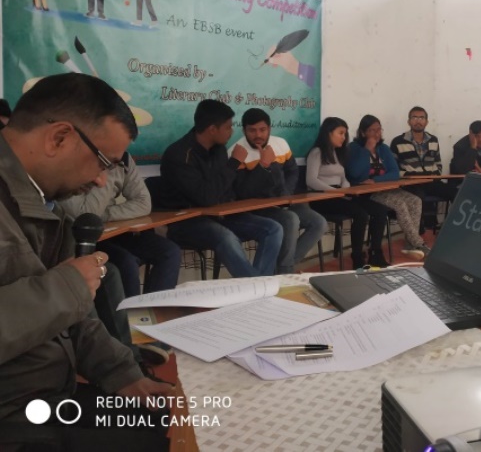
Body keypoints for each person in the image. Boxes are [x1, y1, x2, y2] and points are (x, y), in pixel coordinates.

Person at [0, 73, 171, 448]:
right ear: (59, 137)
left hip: (48, 393)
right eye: (103, 162)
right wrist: (67, 289)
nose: (101, 181)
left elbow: (77, 318)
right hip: (12, 412)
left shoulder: (47, 207)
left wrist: (124, 374)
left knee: (160, 418)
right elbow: (65, 297)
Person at [155, 99, 283, 277]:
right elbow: (206, 197)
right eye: (228, 127)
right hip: (186, 222)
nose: (231, 132)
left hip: (219, 215)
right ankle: (258, 287)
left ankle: (258, 285)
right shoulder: (179, 155)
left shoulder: (218, 150)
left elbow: (230, 191)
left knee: (273, 229)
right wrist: (234, 163)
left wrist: (263, 166)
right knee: (226, 236)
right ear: (212, 129)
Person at [61, 152, 181, 296]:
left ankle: (155, 307)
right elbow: (85, 214)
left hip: (111, 228)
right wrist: (107, 170)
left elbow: (143, 203)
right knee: (126, 263)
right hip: (82, 236)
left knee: (170, 252)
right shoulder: (76, 158)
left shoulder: (124, 157)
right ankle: (131, 311)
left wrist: (105, 215)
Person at [229, 108, 326, 273]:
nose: (258, 135)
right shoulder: (237, 152)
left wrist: (286, 193)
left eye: (262, 130)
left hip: (283, 201)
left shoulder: (280, 143)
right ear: (244, 130)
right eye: (252, 130)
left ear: (269, 129)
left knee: (319, 223)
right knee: (290, 219)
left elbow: (292, 171)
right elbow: (244, 192)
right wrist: (263, 165)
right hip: (258, 208)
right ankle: (285, 271)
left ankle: (283, 268)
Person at [306, 117, 389, 268]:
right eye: (340, 133)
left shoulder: (337, 153)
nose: (344, 138)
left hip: (340, 194)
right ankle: (357, 257)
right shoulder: (317, 152)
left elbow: (343, 177)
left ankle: (375, 253)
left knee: (380, 210)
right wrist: (335, 192)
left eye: (345, 134)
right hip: (322, 197)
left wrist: (346, 188)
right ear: (328, 133)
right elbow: (311, 180)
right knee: (361, 214)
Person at [347, 115, 430, 259]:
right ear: (363, 133)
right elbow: (355, 174)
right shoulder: (354, 148)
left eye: (379, 130)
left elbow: (394, 173)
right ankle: (418, 243)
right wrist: (366, 150)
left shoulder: (383, 148)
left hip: (385, 188)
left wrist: (376, 180)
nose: (377, 134)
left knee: (415, 200)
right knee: (400, 204)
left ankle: (410, 244)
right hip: (368, 193)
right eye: (372, 130)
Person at [389, 106, 455, 231]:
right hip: (411, 183)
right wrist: (409, 175)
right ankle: (420, 232)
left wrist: (435, 174)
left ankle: (452, 227)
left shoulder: (433, 140)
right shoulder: (398, 141)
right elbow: (393, 169)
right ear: (409, 121)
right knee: (418, 197)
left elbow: (438, 163)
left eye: (421, 118)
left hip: (431, 181)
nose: (418, 121)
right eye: (414, 117)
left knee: (455, 192)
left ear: (426, 122)